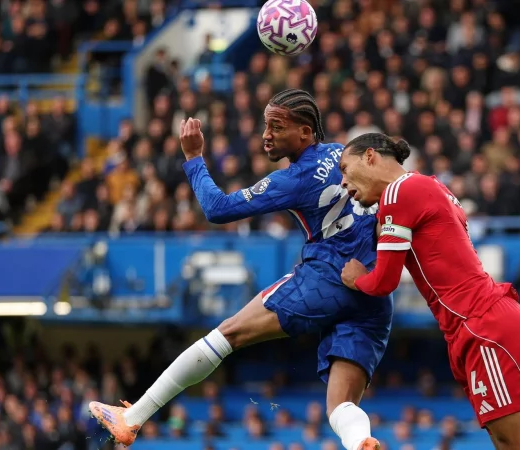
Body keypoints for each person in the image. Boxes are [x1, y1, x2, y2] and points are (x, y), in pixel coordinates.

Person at [89, 90, 390, 450]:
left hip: (327, 277)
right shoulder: (342, 153)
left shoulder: (292, 179)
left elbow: (217, 208)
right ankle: (361, 442)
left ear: (305, 133)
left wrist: (194, 158)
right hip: (373, 288)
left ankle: (132, 419)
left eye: (277, 127)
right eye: (266, 125)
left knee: (227, 334)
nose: (266, 135)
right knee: (341, 405)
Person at [339, 133, 520, 450]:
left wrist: (357, 279)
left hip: (482, 325)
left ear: (370, 156)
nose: (343, 182)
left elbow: (383, 282)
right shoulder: (429, 186)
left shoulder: (399, 191)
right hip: (479, 325)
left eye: (344, 168)